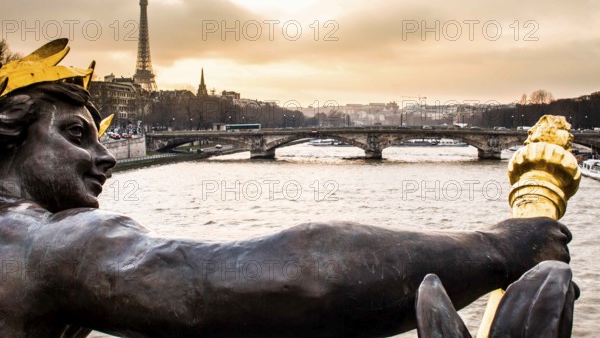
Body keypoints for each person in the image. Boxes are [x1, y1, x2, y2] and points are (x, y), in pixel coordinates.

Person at [0, 40, 572, 337]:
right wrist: (496, 249)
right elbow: (299, 277)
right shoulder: (40, 245)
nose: (103, 156)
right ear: (10, 139)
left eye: (99, 136)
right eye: (77, 134)